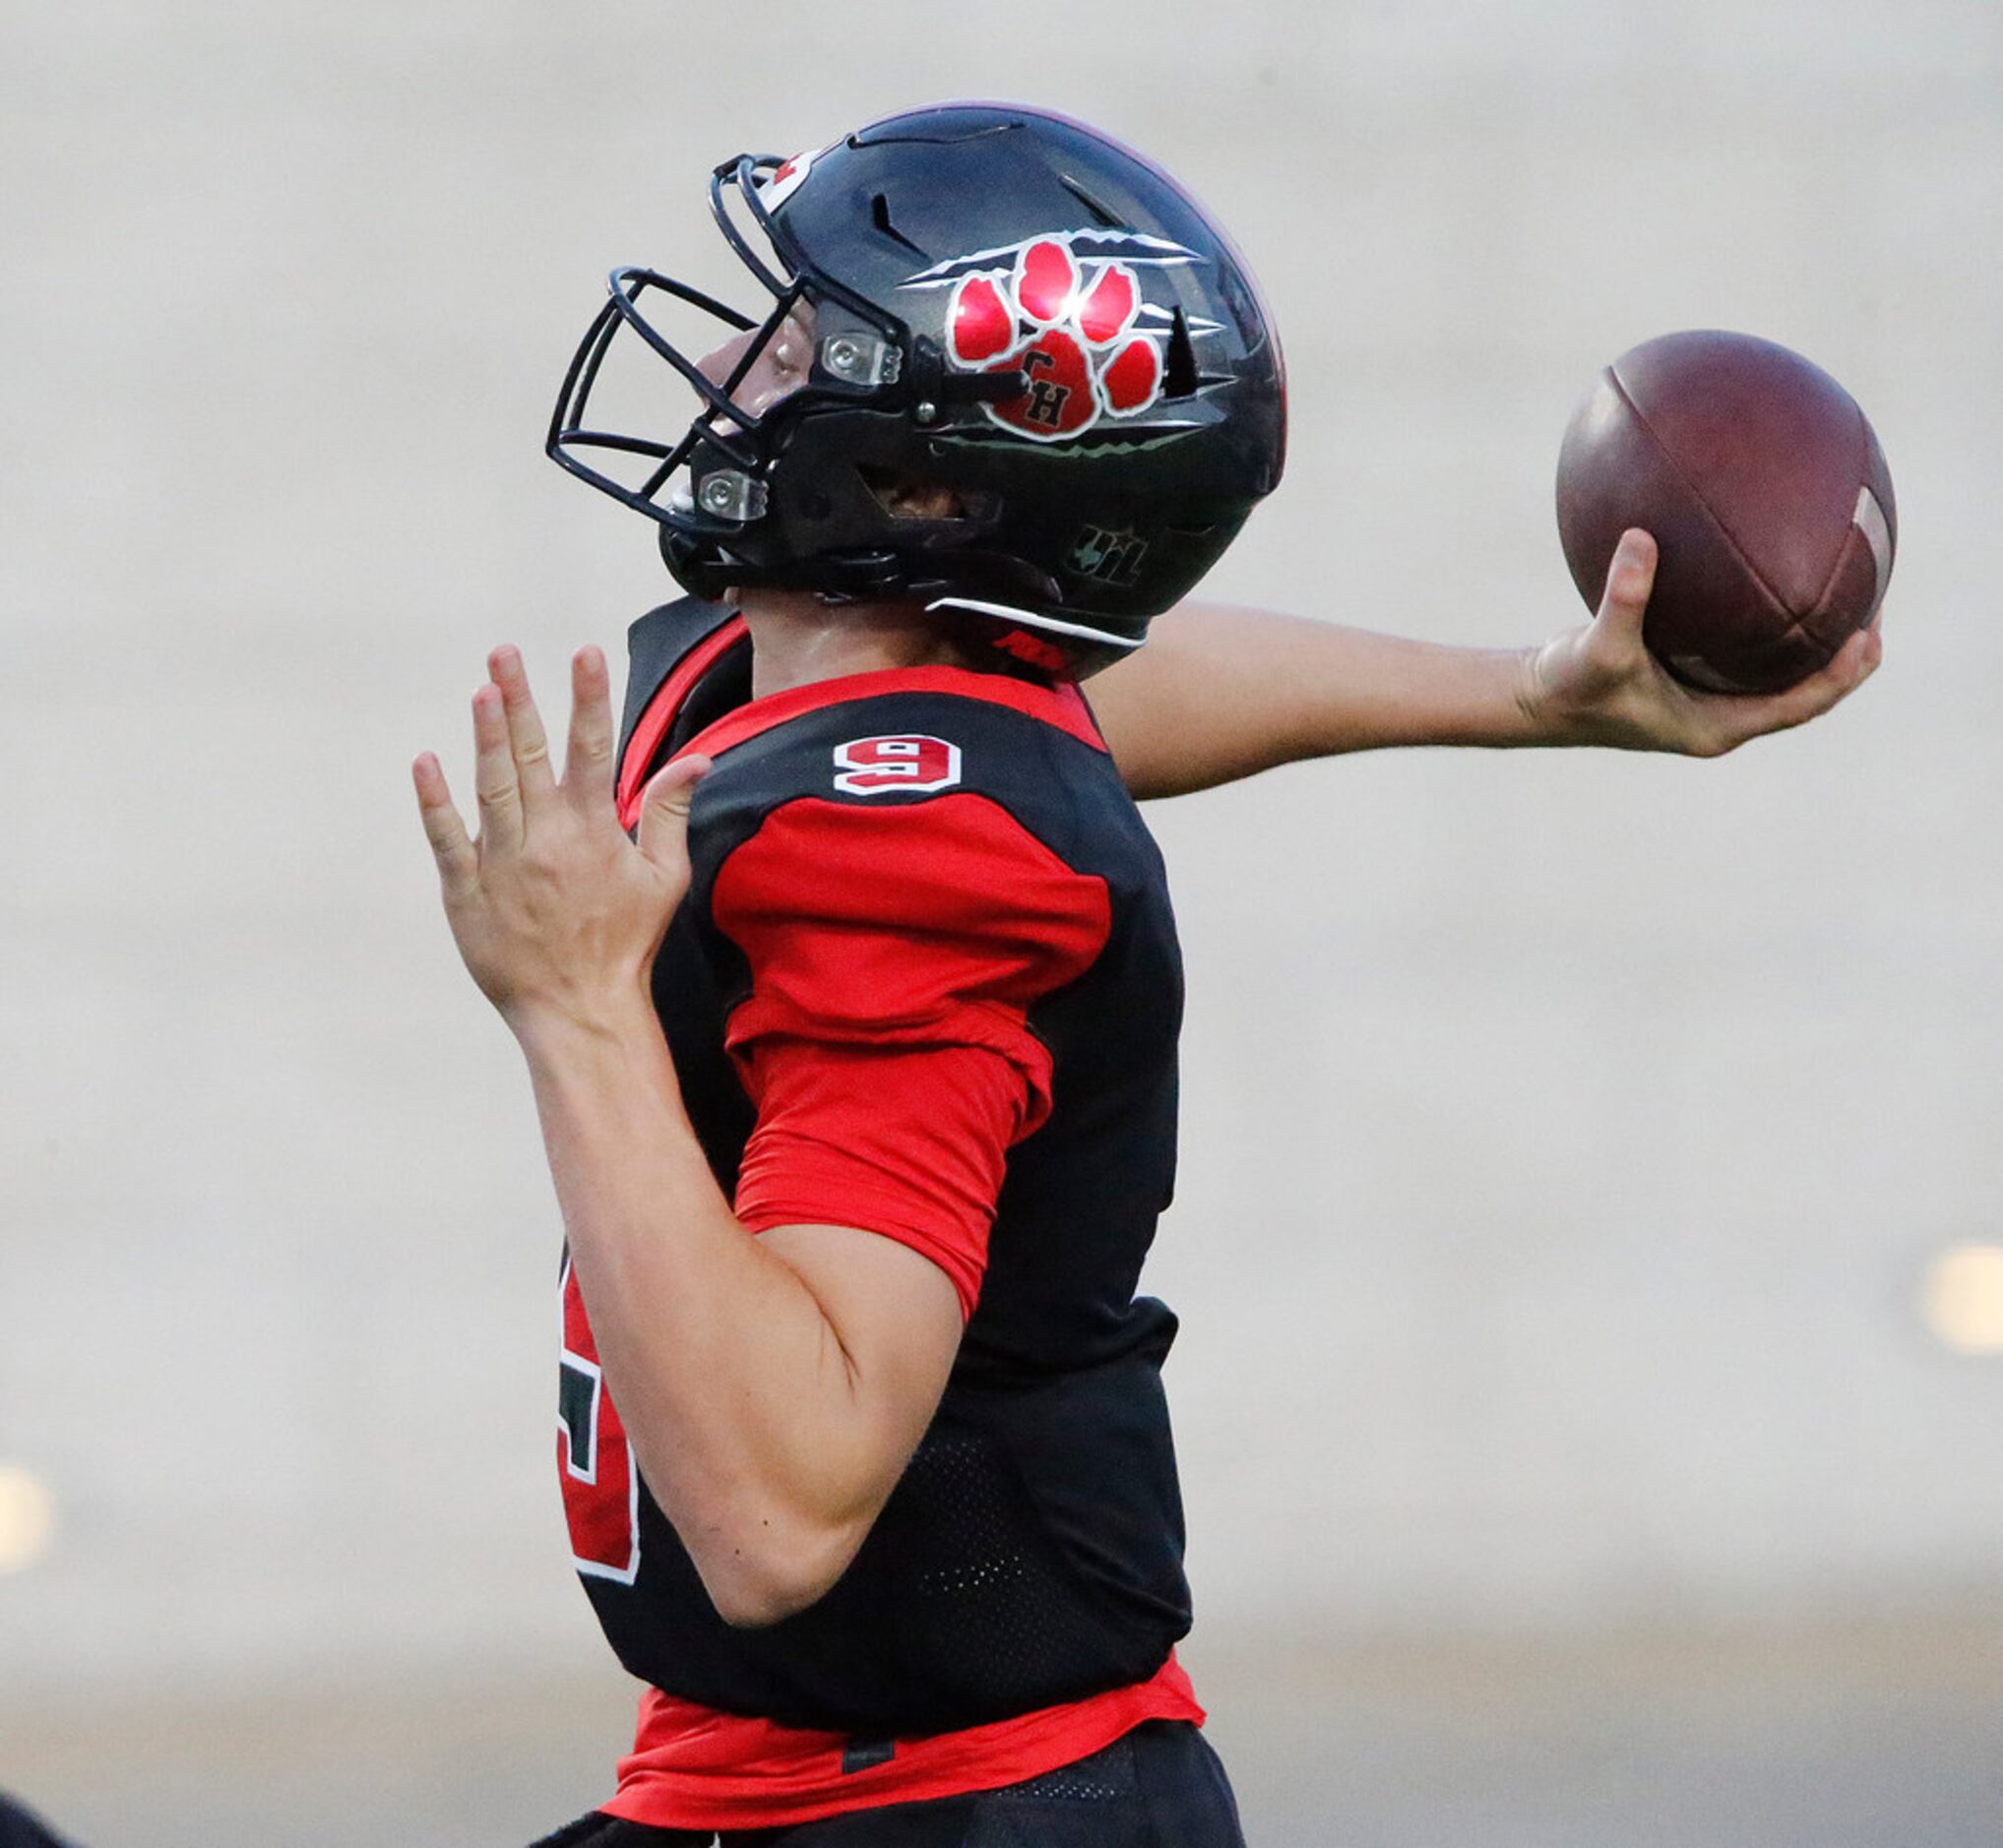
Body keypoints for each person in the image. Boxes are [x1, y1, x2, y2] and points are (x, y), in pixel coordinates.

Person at [413, 102, 1878, 1848]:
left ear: (928, 479)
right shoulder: (815, 695)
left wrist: (575, 1013)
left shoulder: (909, 850)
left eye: (799, 336)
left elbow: (781, 1507)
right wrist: (1519, 690)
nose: (730, 357)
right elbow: (1087, 688)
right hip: (816, 1783)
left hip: (940, 1808)